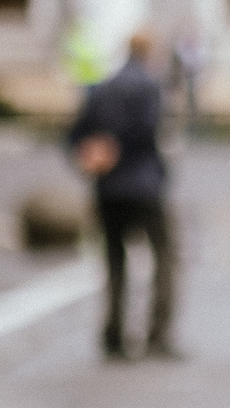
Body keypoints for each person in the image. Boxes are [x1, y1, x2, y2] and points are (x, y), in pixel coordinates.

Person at [67, 30, 179, 363]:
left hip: (108, 188)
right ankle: (157, 335)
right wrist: (120, 151)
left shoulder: (103, 87)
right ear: (150, 52)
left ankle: (113, 336)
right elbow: (147, 131)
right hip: (144, 187)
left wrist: (91, 156)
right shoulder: (150, 86)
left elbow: (76, 132)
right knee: (164, 258)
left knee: (115, 261)